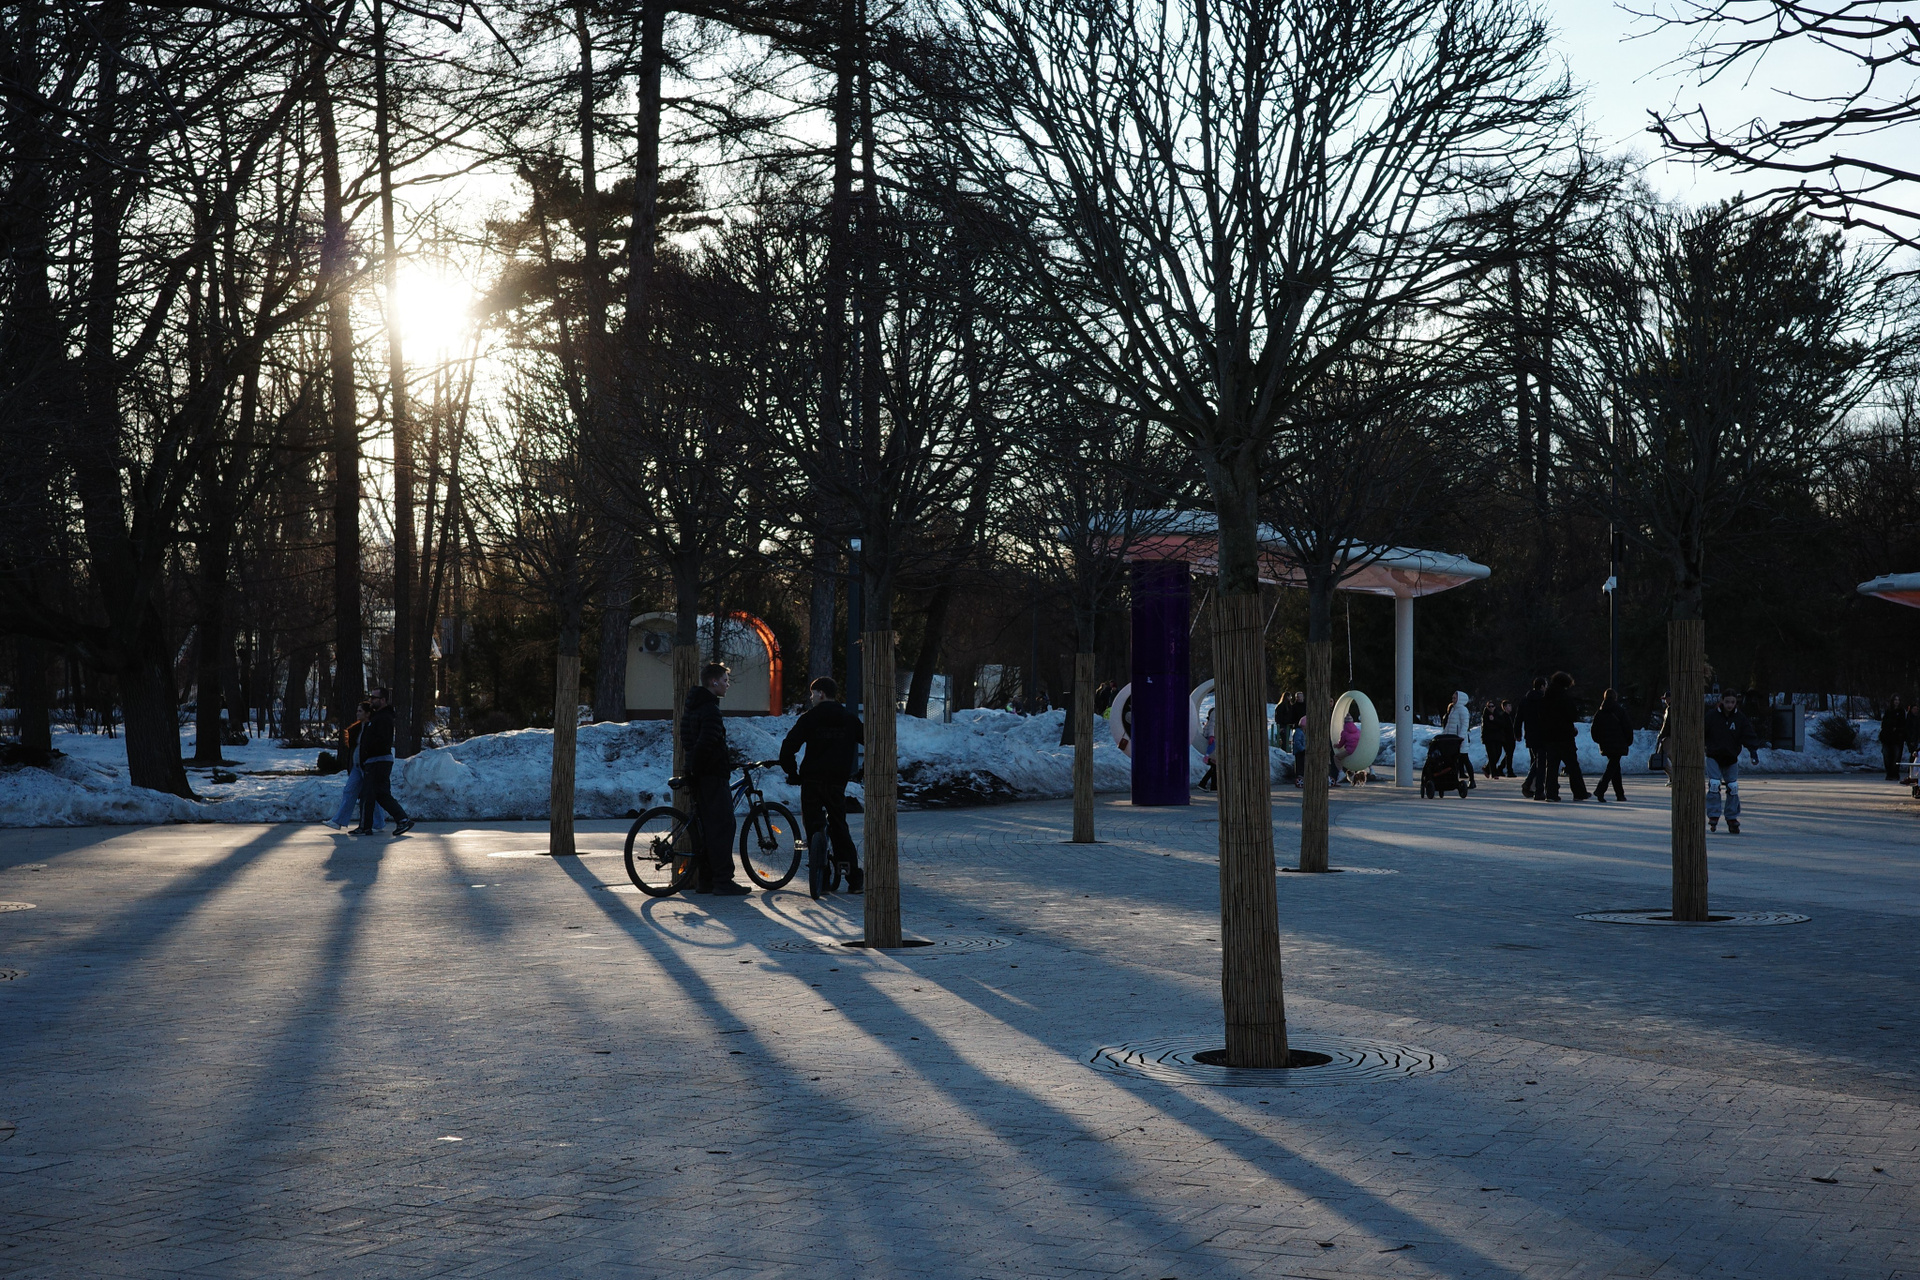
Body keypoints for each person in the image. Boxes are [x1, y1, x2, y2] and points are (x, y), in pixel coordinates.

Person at [780, 677, 866, 899]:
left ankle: (823, 877)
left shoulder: (810, 718)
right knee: (839, 826)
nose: (811, 698)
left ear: (821, 694)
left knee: (813, 824)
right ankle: (854, 879)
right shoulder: (849, 719)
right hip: (837, 780)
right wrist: (864, 770)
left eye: (812, 694)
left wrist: (792, 773)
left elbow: (788, 747)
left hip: (812, 780)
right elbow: (872, 742)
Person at [681, 663, 747, 894]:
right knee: (722, 826)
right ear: (714, 682)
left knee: (707, 827)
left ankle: (706, 879)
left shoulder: (693, 706)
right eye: (725, 680)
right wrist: (706, 765)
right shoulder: (710, 710)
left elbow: (687, 738)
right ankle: (723, 880)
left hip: (700, 773)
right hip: (711, 774)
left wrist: (692, 766)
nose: (728, 685)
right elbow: (707, 742)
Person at [349, 688, 413, 835]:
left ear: (383, 700)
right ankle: (402, 820)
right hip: (377, 760)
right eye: (371, 697)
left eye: (374, 698)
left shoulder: (383, 718)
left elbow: (382, 741)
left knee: (368, 794)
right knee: (380, 794)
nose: (371, 700)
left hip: (377, 761)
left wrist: (368, 751)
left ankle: (365, 826)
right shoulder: (378, 717)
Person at [1705, 688, 1763, 833]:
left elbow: (1748, 734)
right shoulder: (1712, 716)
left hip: (1731, 757)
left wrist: (1753, 751)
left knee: (1733, 787)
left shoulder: (1740, 718)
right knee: (1714, 784)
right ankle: (1713, 814)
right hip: (1714, 755)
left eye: (1732, 702)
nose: (1730, 705)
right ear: (1721, 701)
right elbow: (1701, 731)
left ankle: (1732, 816)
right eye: (1727, 702)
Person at [325, 701, 384, 832]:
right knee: (349, 791)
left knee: (370, 795)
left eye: (360, 711)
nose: (357, 713)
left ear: (368, 713)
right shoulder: (356, 729)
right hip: (357, 766)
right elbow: (354, 748)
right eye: (357, 711)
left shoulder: (371, 728)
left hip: (367, 765)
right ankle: (338, 821)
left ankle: (378, 823)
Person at [1538, 672, 1591, 802]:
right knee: (1573, 765)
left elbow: (1541, 716)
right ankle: (1579, 792)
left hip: (1550, 737)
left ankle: (1551, 793)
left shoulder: (1546, 697)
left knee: (1552, 767)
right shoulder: (1565, 697)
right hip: (1565, 736)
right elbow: (1572, 715)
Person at [1590, 688, 1633, 802]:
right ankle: (1600, 789)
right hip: (1619, 744)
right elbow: (1627, 727)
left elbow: (1594, 730)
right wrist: (1628, 741)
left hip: (1605, 744)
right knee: (1612, 768)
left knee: (1614, 768)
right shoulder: (1620, 711)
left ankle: (1620, 794)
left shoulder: (1600, 712)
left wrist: (1600, 740)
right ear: (1615, 697)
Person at [1517, 677, 1547, 798]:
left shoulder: (1525, 700)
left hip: (1530, 734)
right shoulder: (1543, 699)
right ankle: (1537, 788)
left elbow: (1519, 717)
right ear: (1542, 686)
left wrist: (1517, 732)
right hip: (1542, 734)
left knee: (1537, 760)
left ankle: (1529, 784)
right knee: (1541, 762)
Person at [1443, 691, 1475, 787]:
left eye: (1455, 698)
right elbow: (1449, 725)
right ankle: (1453, 779)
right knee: (1453, 761)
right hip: (1452, 739)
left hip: (1459, 740)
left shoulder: (1463, 710)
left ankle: (1472, 780)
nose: (1453, 700)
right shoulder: (1453, 709)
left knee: (1465, 759)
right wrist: (1444, 735)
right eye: (1452, 698)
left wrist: (1460, 737)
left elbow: (1465, 725)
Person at [1886, 696, 1912, 781]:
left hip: (1898, 737)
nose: (1896, 702)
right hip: (1888, 736)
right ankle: (1889, 773)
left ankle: (1895, 773)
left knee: (1897, 756)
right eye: (1895, 700)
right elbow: (1885, 722)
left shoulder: (1901, 711)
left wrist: (1897, 729)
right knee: (1888, 756)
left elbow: (1903, 723)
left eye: (1898, 700)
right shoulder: (1888, 710)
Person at [1197, 705, 1217, 791]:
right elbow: (1212, 728)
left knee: (1214, 767)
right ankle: (1204, 783)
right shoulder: (1211, 723)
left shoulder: (1208, 724)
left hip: (1212, 744)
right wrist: (1212, 736)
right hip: (1212, 745)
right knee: (1214, 767)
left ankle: (1211, 785)